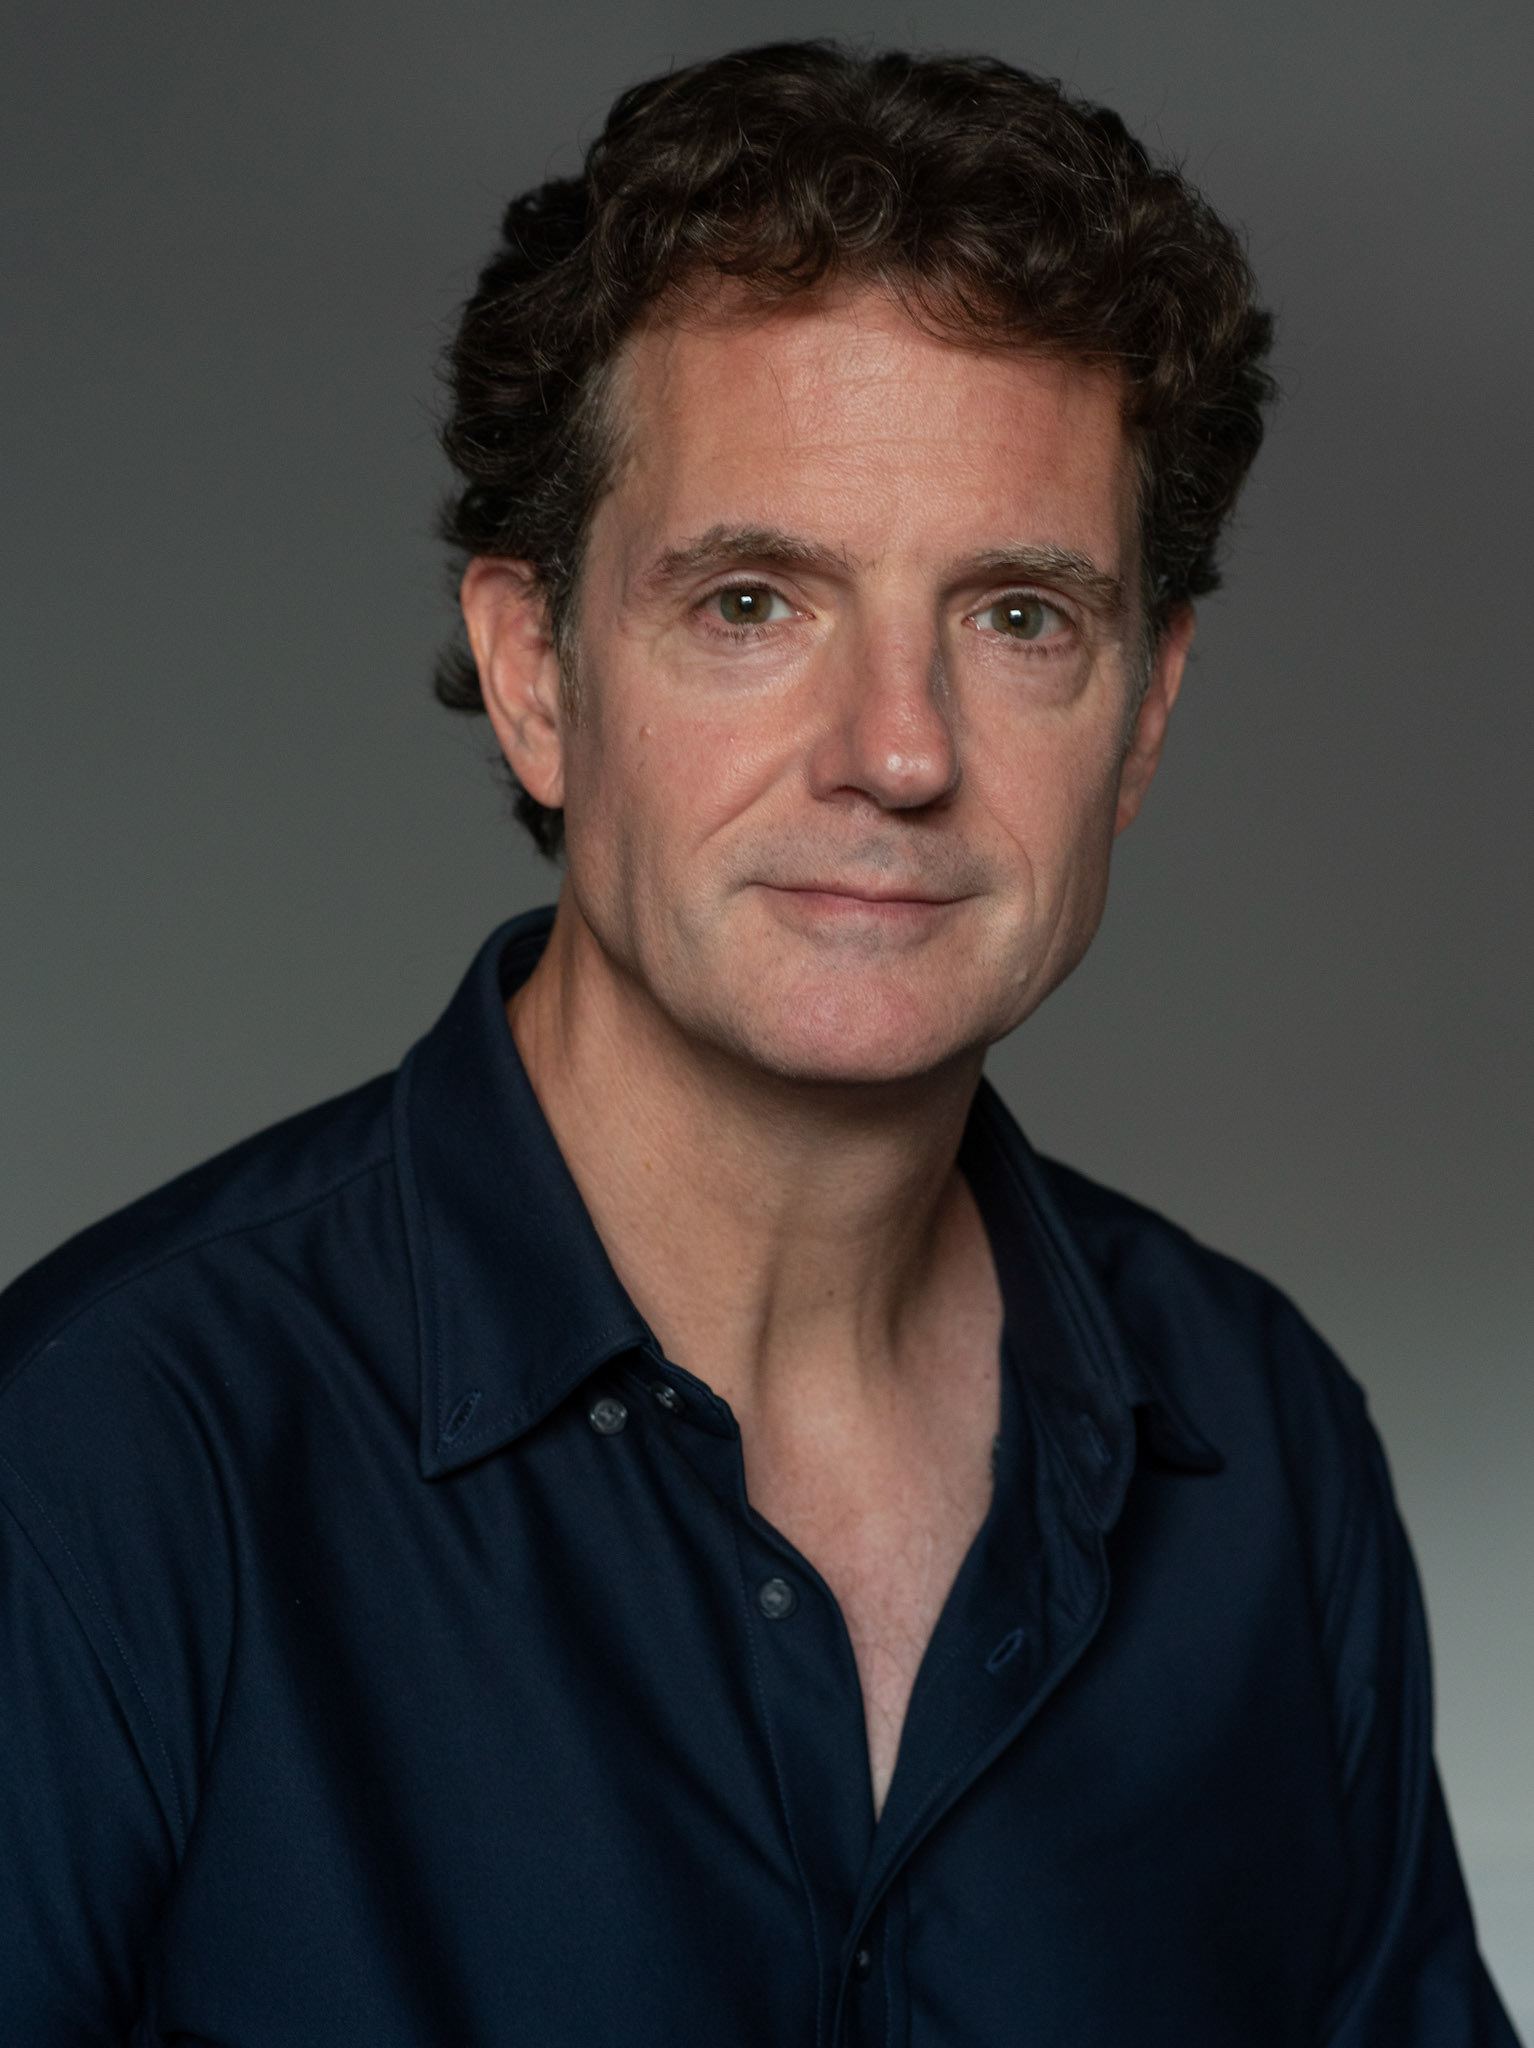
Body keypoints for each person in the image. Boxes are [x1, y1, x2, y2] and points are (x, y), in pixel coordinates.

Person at [0, 40, 1517, 2048]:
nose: (895, 750)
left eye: (1015, 616)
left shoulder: (1260, 1444)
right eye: (749, 601)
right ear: (535, 675)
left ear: (1141, 715)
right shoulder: (102, 1457)